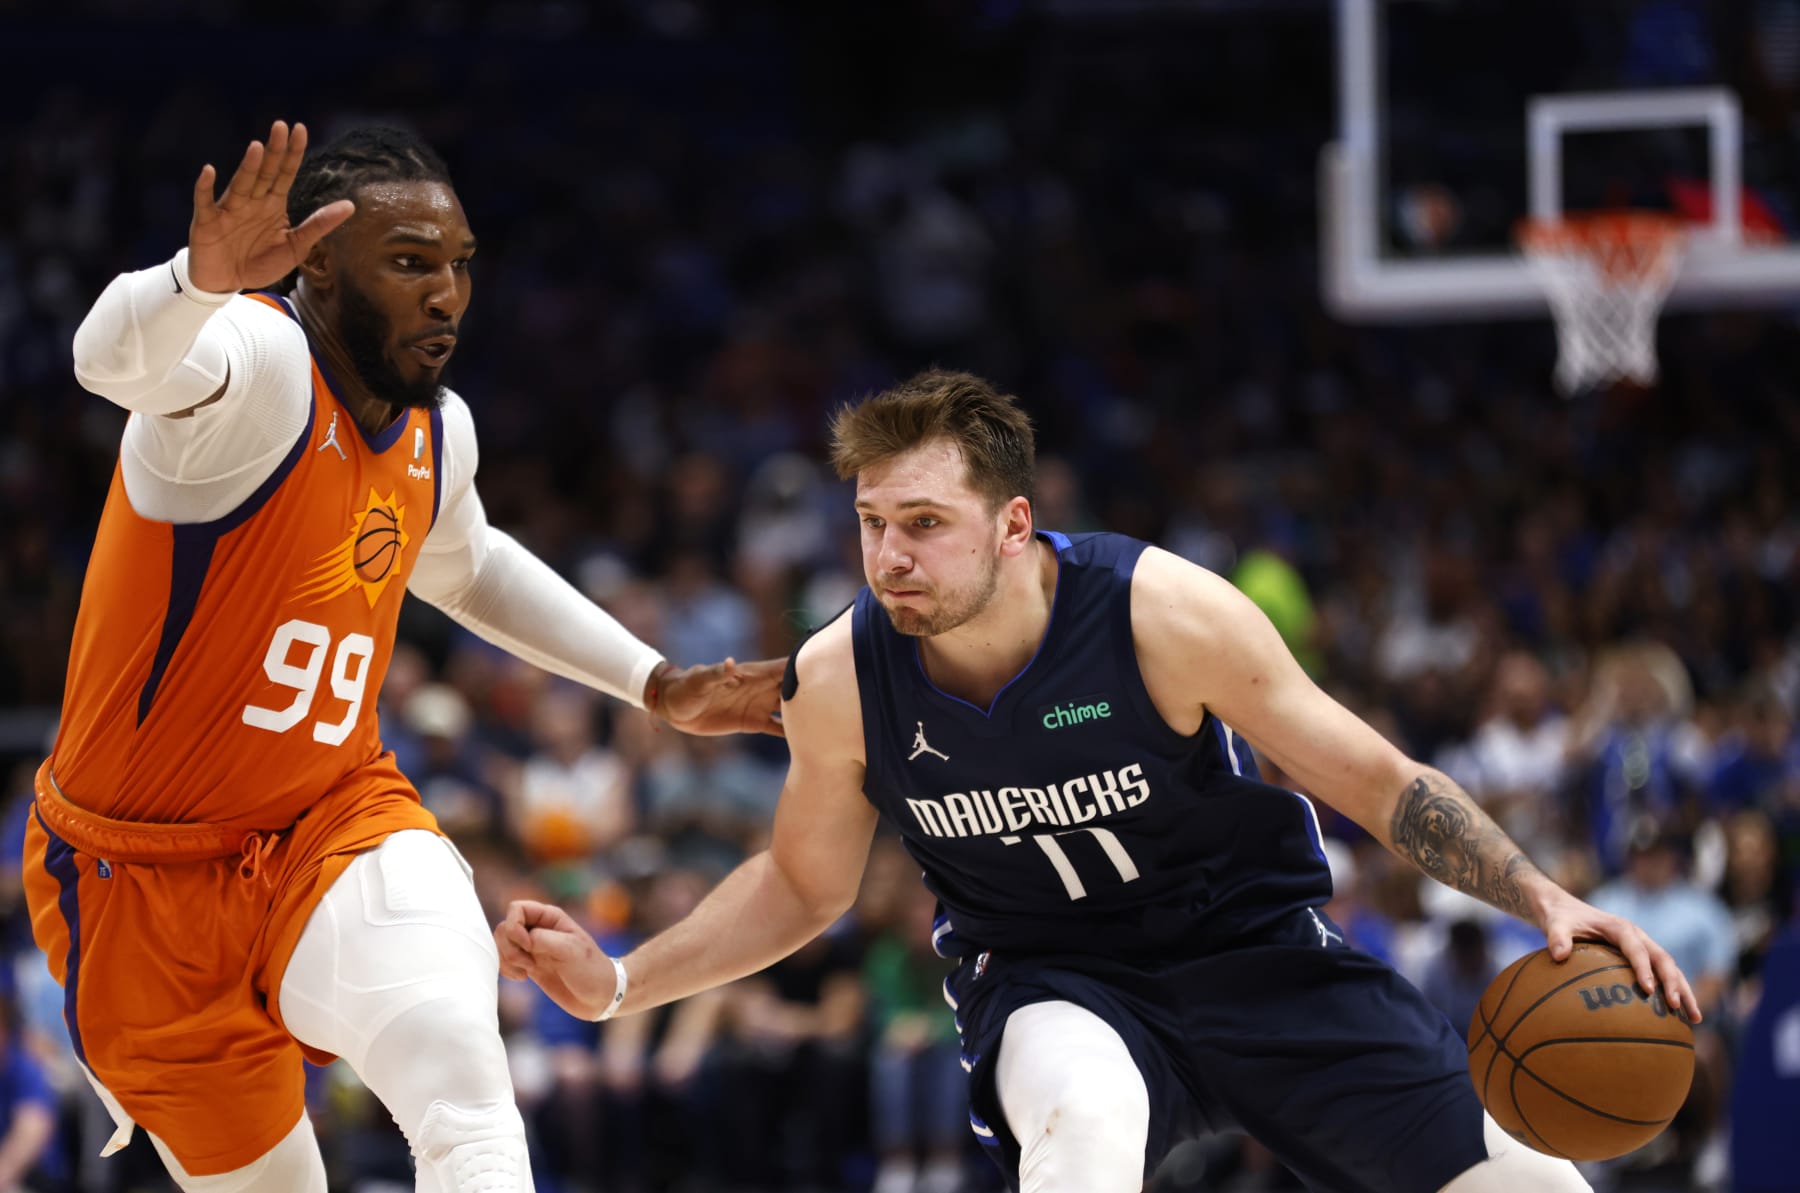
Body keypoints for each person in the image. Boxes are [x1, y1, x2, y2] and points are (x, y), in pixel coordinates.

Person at [498, 370, 1701, 1193]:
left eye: (924, 521)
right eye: (870, 522)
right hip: (1051, 978)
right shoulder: (844, 674)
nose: (888, 556)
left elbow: (1377, 781)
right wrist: (619, 982)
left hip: (1257, 954)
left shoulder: (1162, 613)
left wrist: (1544, 898)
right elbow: (801, 885)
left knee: (1535, 1182)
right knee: (1080, 1129)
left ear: (1015, 522)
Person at [26, 120, 782, 1193]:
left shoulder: (440, 431)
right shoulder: (255, 362)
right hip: (136, 877)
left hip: (334, 817)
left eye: (460, 264)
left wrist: (653, 681)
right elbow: (105, 360)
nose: (447, 295)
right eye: (410, 262)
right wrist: (197, 280)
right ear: (320, 264)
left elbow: (468, 567)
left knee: (464, 1084)